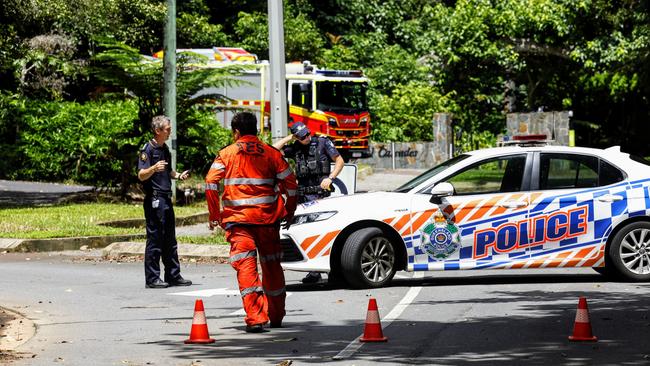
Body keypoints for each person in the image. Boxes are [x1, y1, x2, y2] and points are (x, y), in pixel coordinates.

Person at [205, 112, 298, 333]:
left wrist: (214, 215)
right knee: (272, 268)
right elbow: (291, 183)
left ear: (235, 132)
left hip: (239, 224)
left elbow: (210, 182)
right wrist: (289, 209)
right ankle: (276, 317)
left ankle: (256, 318)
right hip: (267, 222)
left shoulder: (226, 154)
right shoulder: (271, 153)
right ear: (255, 129)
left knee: (246, 268)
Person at [273, 122, 344, 284]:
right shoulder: (295, 148)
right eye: (302, 136)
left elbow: (339, 161)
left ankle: (333, 270)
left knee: (325, 232)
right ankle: (314, 272)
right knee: (307, 233)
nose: (306, 137)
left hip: (321, 196)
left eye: (307, 134)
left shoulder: (323, 143)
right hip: (303, 196)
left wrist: (330, 178)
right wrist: (289, 138)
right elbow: (273, 149)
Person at [137, 115, 193, 289]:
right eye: (167, 129)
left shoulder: (164, 148)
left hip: (166, 198)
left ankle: (173, 275)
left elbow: (168, 171)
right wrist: (153, 168)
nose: (170, 132)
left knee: (170, 239)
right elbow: (140, 175)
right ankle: (152, 278)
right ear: (158, 130)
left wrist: (179, 176)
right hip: (154, 199)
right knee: (155, 238)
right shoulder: (147, 149)